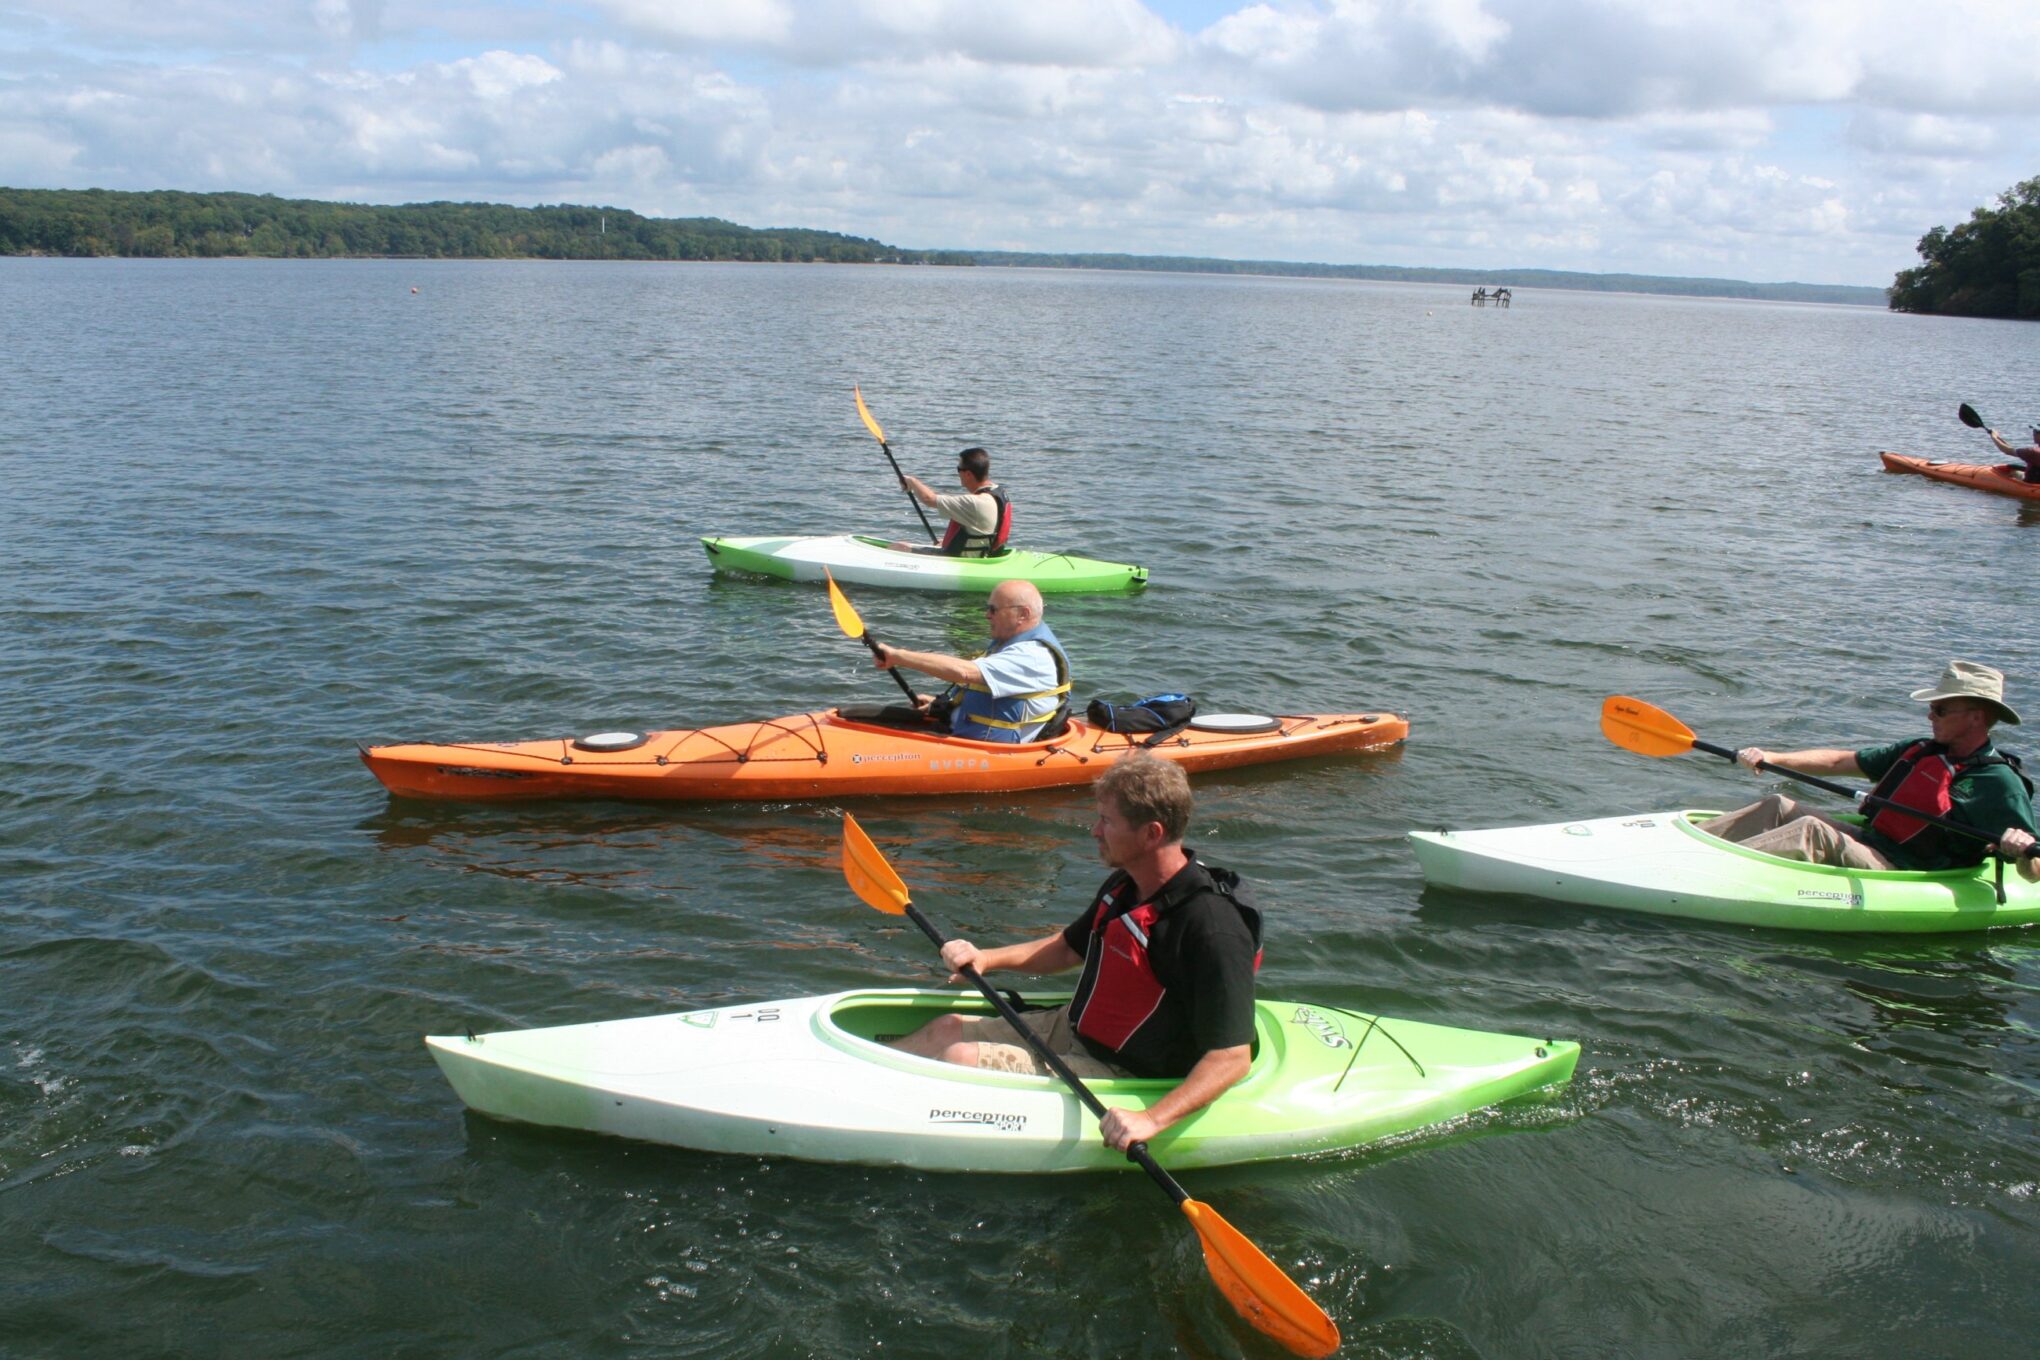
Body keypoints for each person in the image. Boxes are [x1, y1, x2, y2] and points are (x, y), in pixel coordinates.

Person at [889, 752, 1261, 1153]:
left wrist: (1149, 1120)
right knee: (946, 1029)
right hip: (1077, 1029)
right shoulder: (1128, 885)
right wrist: (988, 958)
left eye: (1107, 821)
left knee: (960, 1058)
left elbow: (1231, 1057)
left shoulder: (1211, 928)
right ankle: (854, 1081)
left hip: (1128, 1071)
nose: (1094, 831)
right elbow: (1068, 948)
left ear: (1151, 834)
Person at [1703, 660, 2040, 880]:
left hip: (1906, 871)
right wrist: (1771, 757)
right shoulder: (1920, 751)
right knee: (1778, 805)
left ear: (1976, 717)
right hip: (1874, 842)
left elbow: (2035, 870)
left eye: (1939, 709)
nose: (1929, 716)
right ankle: (1693, 846)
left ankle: (1709, 873)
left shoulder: (1999, 782)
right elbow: (1840, 762)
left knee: (1810, 831)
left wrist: (2021, 850)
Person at [873, 579, 1071, 742]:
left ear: (1022, 614)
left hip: (989, 751)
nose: (987, 615)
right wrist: (943, 704)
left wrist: (897, 656)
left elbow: (965, 672)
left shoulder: (1032, 656)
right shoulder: (1006, 644)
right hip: (959, 732)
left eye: (993, 610)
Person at [890, 446, 1012, 556]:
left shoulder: (975, 503)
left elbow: (929, 499)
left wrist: (911, 481)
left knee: (898, 547)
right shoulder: (997, 492)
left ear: (968, 474)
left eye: (959, 469)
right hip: (983, 553)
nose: (958, 473)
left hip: (962, 561)